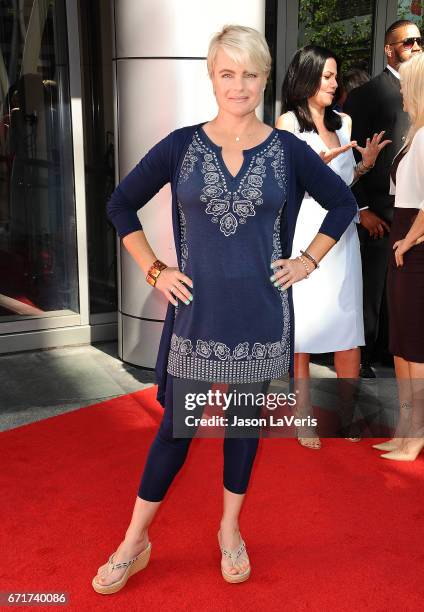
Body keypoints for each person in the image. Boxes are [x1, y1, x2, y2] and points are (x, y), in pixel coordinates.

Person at [91, 25, 357, 593]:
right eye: (227, 73)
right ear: (211, 75)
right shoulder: (181, 145)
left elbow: (342, 203)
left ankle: (230, 530)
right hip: (197, 320)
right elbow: (119, 204)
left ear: (264, 78)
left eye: (250, 74)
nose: (239, 85)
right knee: (175, 432)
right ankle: (134, 541)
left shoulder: (287, 151)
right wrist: (155, 269)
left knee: (242, 428)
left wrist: (306, 261)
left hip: (262, 318)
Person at [276, 45, 389, 449]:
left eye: (335, 76)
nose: (334, 83)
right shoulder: (287, 123)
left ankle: (347, 414)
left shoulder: (345, 122)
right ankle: (303, 417)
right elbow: (283, 188)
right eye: (326, 76)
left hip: (341, 242)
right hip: (305, 234)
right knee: (302, 334)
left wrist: (364, 166)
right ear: (305, 78)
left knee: (347, 330)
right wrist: (313, 169)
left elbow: (345, 187)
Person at [344, 19, 422, 378]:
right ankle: (363, 355)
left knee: (402, 302)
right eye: (408, 42)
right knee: (372, 292)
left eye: (420, 41)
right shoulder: (367, 95)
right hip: (379, 214)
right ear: (390, 49)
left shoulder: (420, 92)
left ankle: (394, 355)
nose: (417, 47)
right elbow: (352, 157)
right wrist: (362, 210)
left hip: (412, 217)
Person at [373, 52, 424, 461]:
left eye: (405, 84)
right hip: (403, 244)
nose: (400, 90)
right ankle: (405, 429)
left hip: (416, 249)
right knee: (401, 346)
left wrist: (407, 242)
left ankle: (417, 433)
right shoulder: (415, 134)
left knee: (416, 347)